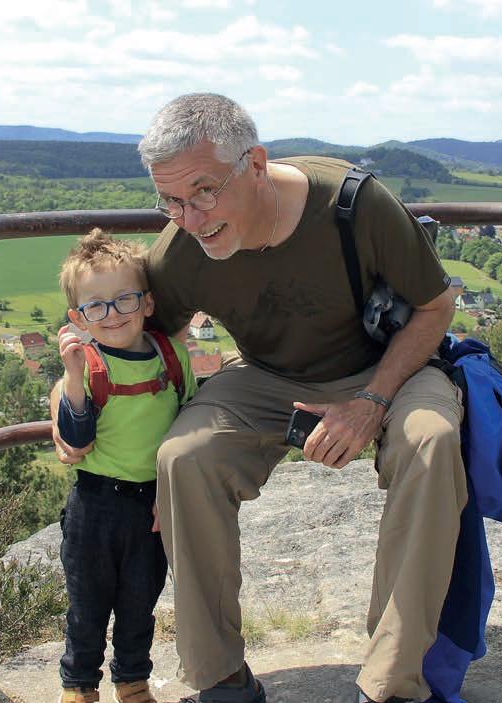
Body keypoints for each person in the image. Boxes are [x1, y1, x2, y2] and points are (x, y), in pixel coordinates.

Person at [52, 94, 466, 703]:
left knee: (431, 441)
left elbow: (435, 307)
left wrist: (372, 401)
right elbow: (131, 337)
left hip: (387, 368)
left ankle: (392, 683)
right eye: (170, 200)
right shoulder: (183, 248)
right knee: (185, 457)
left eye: (204, 192)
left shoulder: (354, 204)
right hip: (269, 376)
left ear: (255, 164)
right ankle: (219, 678)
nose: (190, 218)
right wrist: (70, 392)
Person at [53, 229, 196, 703]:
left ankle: (132, 681)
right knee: (86, 607)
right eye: (96, 306)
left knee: (140, 603)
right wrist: (73, 377)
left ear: (148, 303)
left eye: (125, 299)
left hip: (150, 506)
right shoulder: (90, 365)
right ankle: (79, 685)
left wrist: (171, 490)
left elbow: (190, 419)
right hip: (94, 504)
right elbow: (76, 439)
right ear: (78, 318)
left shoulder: (171, 357)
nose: (112, 314)